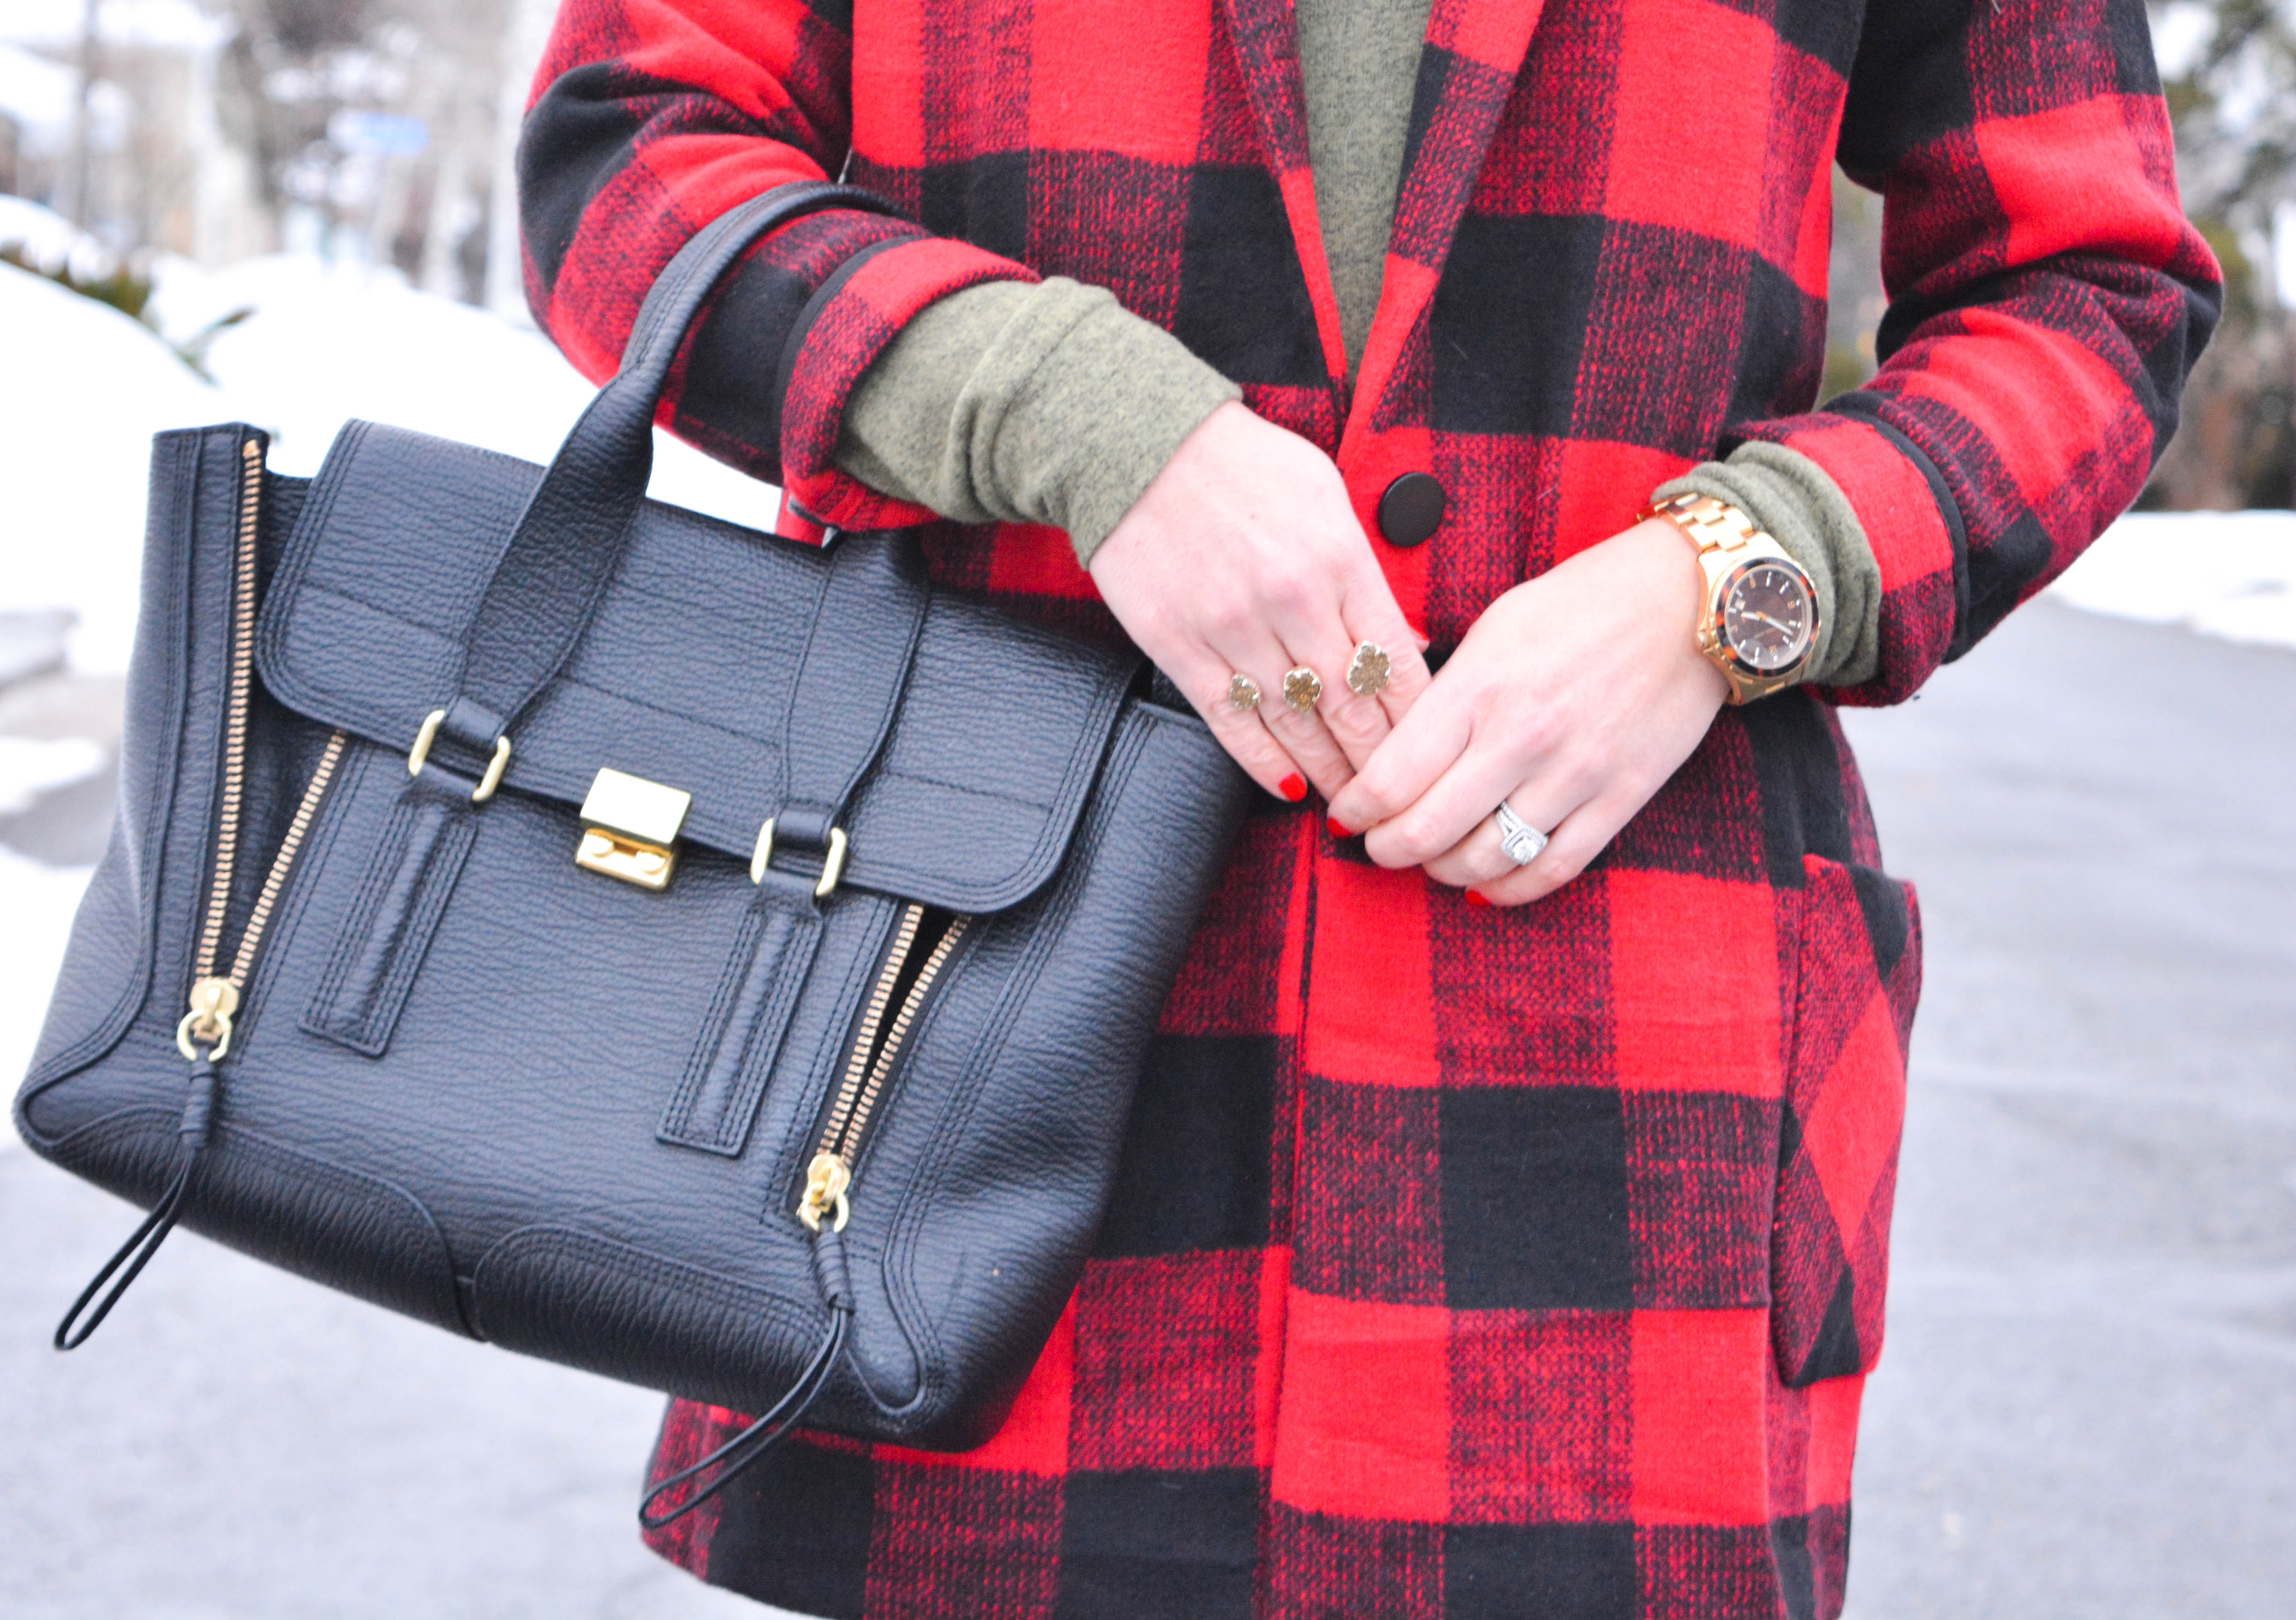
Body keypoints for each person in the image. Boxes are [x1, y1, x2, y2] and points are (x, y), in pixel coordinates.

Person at [518, 0, 2217, 1612]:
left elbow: (2089, 282)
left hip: (1619, 1097)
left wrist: (1742, 574)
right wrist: (1071, 414)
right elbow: (629, 152)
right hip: (972, 1010)